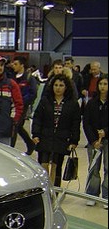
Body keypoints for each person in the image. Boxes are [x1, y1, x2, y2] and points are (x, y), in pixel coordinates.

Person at [31, 75, 80, 186]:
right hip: (45, 137)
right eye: (56, 85)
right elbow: (38, 118)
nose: (58, 88)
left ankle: (55, 190)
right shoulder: (45, 101)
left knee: (56, 166)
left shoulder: (72, 103)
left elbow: (75, 123)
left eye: (61, 85)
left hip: (62, 139)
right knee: (43, 164)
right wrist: (35, 134)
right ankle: (44, 188)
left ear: (66, 87)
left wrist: (74, 140)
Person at [82, 74, 108, 208]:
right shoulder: (92, 103)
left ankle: (106, 196)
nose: (103, 87)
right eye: (100, 84)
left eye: (105, 84)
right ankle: (92, 194)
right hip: (94, 141)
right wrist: (93, 140)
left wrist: (105, 132)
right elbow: (86, 123)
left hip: (107, 139)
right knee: (94, 168)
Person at [10, 56, 37, 154]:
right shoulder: (12, 77)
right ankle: (30, 143)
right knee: (18, 127)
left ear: (22, 65)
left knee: (15, 126)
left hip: (23, 106)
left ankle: (11, 149)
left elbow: (33, 93)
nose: (13, 66)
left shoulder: (29, 78)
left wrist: (22, 102)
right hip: (12, 106)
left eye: (16, 64)